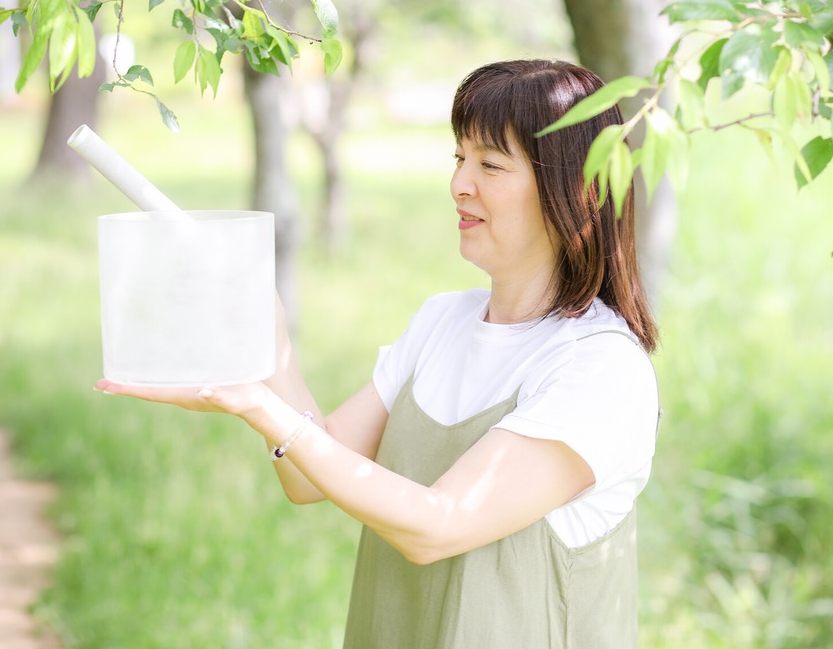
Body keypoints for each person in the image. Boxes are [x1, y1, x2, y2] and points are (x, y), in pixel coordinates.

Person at [97, 58, 660, 648]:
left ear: (574, 188)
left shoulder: (601, 368)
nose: (460, 184)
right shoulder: (443, 321)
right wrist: (270, 349)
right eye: (459, 158)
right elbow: (307, 475)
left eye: (491, 164)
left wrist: (263, 410)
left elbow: (439, 525)